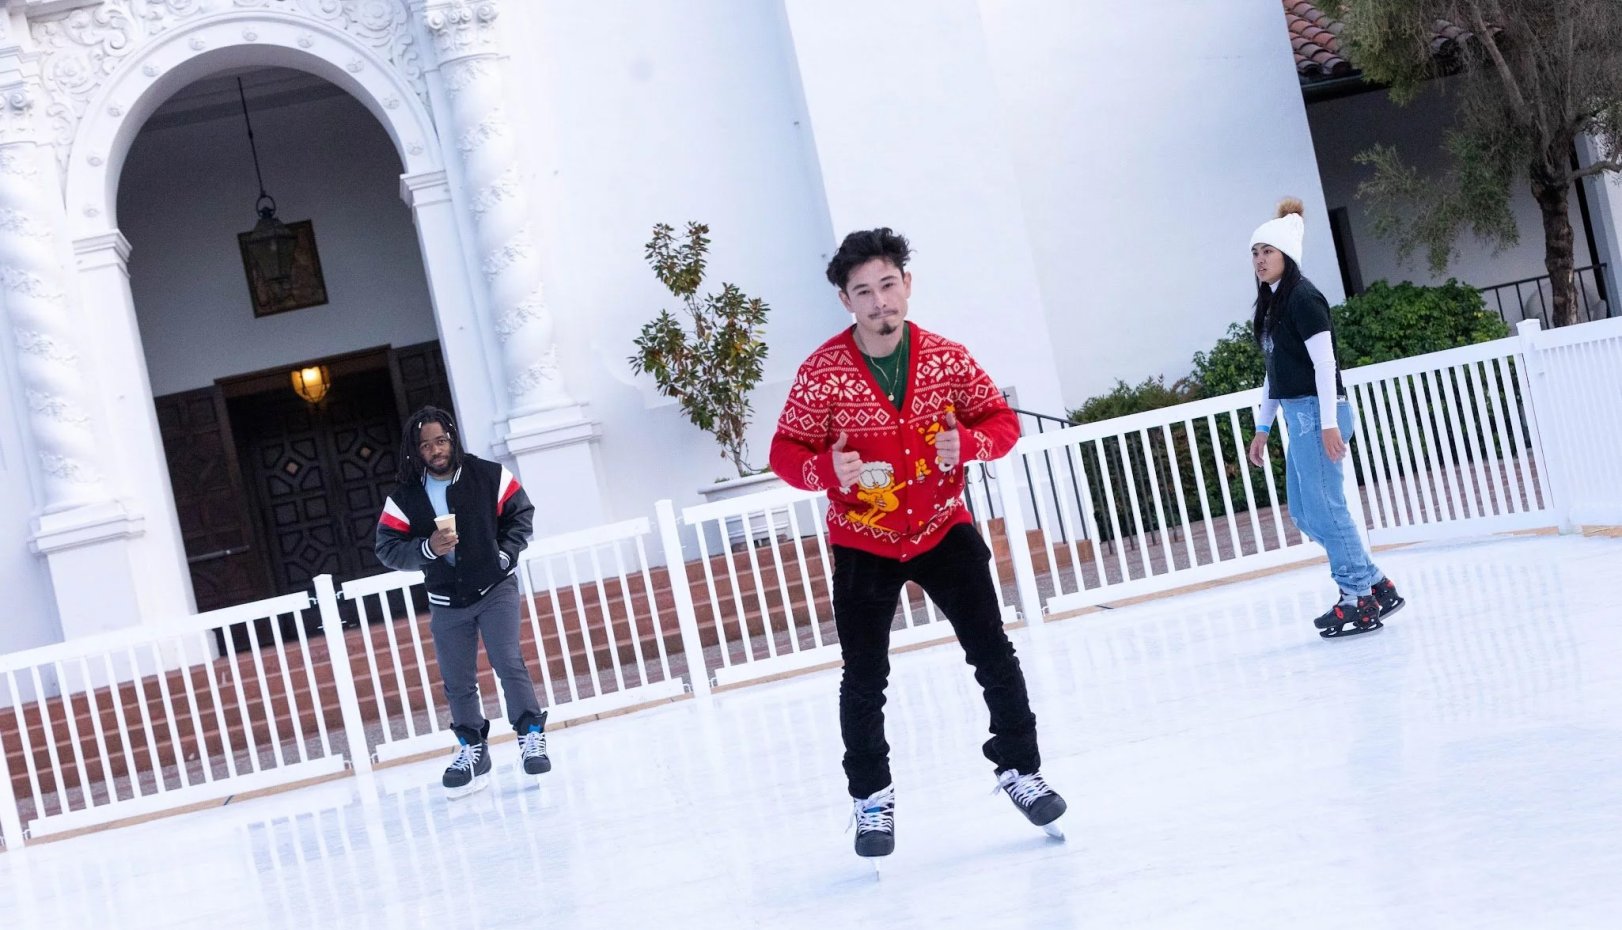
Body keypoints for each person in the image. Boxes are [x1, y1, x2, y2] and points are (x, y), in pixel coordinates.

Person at [769, 228, 1066, 859]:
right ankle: (871, 798)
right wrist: (828, 471)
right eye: (863, 292)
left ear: (907, 284)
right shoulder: (821, 374)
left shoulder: (947, 358)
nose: (880, 301)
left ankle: (1019, 767)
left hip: (942, 526)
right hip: (863, 540)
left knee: (992, 650)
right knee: (865, 675)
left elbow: (999, 419)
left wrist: (973, 445)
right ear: (846, 302)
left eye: (887, 285)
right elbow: (785, 451)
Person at [1244, 199, 1407, 638]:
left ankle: (1357, 598)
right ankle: (1375, 584)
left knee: (1328, 509)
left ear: (1286, 257)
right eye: (1255, 252)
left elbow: (1324, 364)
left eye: (1268, 252)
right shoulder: (1272, 305)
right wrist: (1262, 427)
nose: (1260, 260)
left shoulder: (1304, 298)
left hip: (1322, 413)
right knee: (1305, 512)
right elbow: (1274, 372)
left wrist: (1331, 422)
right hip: (1300, 416)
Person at [375, 406, 552, 796]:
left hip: (495, 589)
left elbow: (520, 514)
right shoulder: (404, 497)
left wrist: (503, 556)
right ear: (414, 451)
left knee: (507, 661)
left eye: (441, 440)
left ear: (452, 440)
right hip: (446, 599)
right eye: (426, 445)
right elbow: (386, 547)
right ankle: (473, 749)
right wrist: (427, 548)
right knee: (457, 680)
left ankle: (530, 735)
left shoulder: (487, 475)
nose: (435, 450)